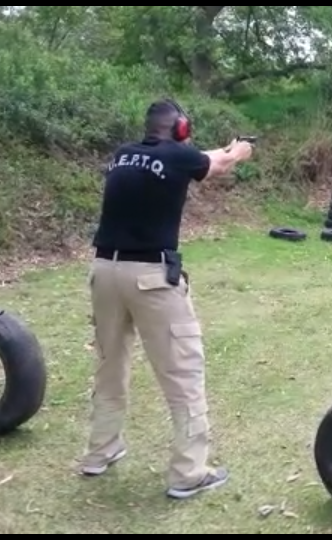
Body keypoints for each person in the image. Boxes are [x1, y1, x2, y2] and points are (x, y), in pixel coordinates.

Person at [81, 98, 253, 500]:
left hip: (104, 272)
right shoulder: (178, 157)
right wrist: (239, 152)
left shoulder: (123, 155)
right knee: (184, 373)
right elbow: (216, 165)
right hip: (150, 279)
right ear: (180, 129)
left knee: (109, 366)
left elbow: (192, 158)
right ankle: (188, 473)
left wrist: (223, 148)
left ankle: (99, 452)